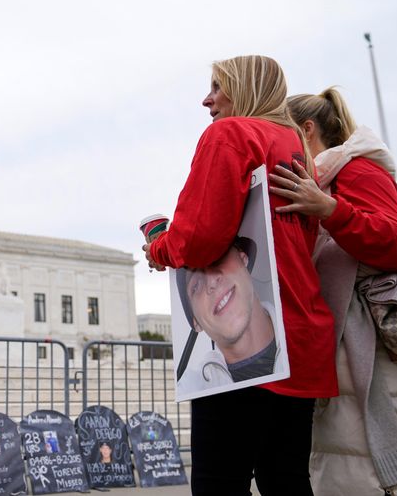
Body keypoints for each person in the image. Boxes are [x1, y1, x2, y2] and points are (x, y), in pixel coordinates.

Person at [144, 55, 337, 495]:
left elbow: (200, 240)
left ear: (246, 89)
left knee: (219, 482)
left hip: (245, 354)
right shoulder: (293, 145)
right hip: (300, 334)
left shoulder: (230, 134)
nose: (206, 99)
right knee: (285, 478)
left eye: (218, 86)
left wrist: (160, 248)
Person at [270, 87, 397, 494]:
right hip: (349, 345)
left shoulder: (357, 170)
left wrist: (330, 210)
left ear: (306, 130)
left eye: (282, 132)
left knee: (387, 472)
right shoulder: (321, 179)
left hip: (373, 343)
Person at [176, 237, 278, 392]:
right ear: (196, 323)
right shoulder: (190, 388)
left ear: (244, 259)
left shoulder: (307, 334)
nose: (211, 281)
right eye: (196, 285)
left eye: (218, 257)